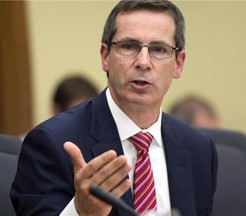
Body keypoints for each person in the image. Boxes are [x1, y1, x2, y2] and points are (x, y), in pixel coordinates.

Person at [11, 1, 218, 216]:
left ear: (179, 63)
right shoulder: (51, 142)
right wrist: (81, 212)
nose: (143, 62)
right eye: (128, 46)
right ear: (105, 56)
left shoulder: (200, 150)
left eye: (159, 49)